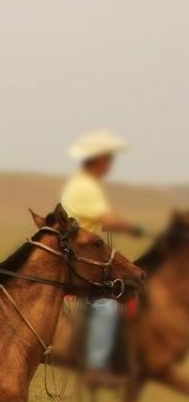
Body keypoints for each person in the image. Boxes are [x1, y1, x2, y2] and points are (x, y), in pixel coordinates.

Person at [61, 130, 144, 384]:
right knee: (106, 304)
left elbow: (93, 220)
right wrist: (133, 228)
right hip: (84, 257)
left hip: (87, 251)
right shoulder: (85, 187)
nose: (110, 166)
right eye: (108, 160)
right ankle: (96, 368)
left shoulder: (80, 185)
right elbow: (107, 219)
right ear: (98, 161)